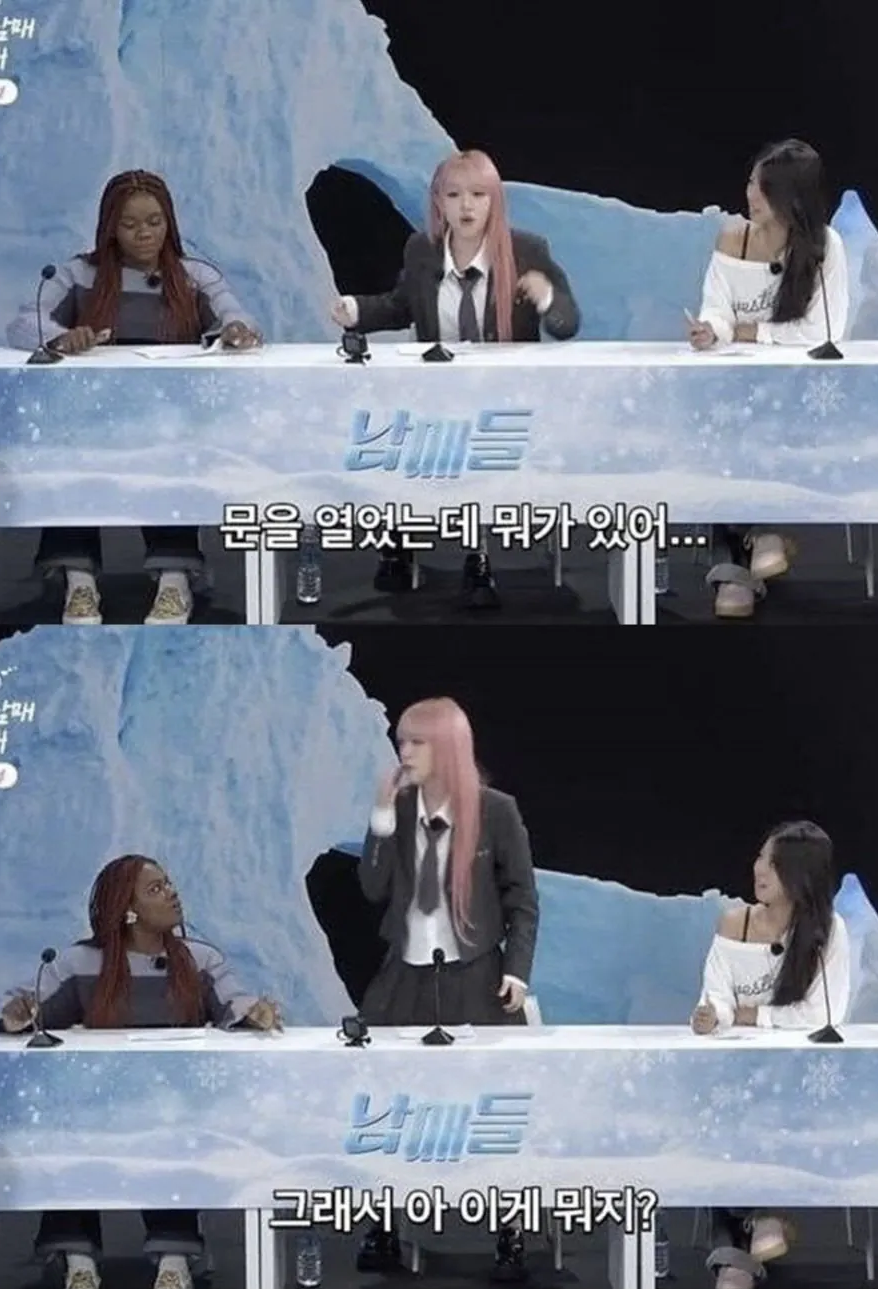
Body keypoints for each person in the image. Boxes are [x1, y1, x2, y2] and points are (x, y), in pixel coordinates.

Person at [0, 854, 283, 1289]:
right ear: (128, 910)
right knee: (65, 1132)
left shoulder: (200, 959)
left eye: (169, 883)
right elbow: (28, 1007)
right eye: (156, 889)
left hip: (173, 1103)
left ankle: (174, 1257)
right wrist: (17, 1015)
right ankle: (77, 1259)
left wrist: (255, 1014)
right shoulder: (79, 962)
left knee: (169, 1129)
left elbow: (233, 1002)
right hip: (91, 1100)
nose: (172, 893)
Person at [6, 170, 264, 627]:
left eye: (154, 222)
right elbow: (25, 324)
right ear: (110, 226)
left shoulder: (194, 276)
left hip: (169, 415)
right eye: (129, 224)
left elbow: (234, 315)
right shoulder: (77, 274)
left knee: (171, 458)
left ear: (170, 223)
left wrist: (236, 331)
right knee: (69, 457)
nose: (144, 234)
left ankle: (174, 579)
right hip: (89, 413)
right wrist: (63, 337)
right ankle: (79, 580)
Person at [330, 149, 581, 609]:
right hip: (437, 395)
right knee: (389, 423)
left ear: (494, 201)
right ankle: (399, 543)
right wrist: (357, 311)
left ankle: (477, 558)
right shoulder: (422, 250)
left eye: (478, 195)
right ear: (438, 202)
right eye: (454, 195)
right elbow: (401, 306)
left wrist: (546, 297)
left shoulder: (527, 250)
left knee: (473, 441)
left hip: (506, 401)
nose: (466, 206)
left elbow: (568, 324)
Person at [355, 696, 539, 1281]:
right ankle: (382, 1225)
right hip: (405, 976)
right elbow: (372, 888)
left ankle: (509, 1231)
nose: (404, 752)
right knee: (385, 1098)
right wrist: (380, 818)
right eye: (401, 741)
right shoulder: (399, 809)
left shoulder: (496, 811)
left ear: (448, 747)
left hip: (475, 977)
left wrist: (516, 971)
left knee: (493, 1100)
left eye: (417, 742)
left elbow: (522, 899)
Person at [686, 140, 850, 619]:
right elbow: (717, 310)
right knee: (718, 427)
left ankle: (745, 556)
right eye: (750, 182)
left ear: (791, 196)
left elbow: (822, 332)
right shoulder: (731, 239)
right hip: (733, 383)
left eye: (762, 186)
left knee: (755, 422)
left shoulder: (825, 248)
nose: (750, 194)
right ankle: (760, 538)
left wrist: (747, 331)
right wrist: (710, 330)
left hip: (795, 389)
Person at [690, 821, 851, 1289]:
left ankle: (741, 1251)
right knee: (720, 1116)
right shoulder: (733, 923)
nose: (758, 869)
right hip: (732, 1072)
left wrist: (750, 1015)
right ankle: (761, 1220)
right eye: (760, 858)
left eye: (772, 862)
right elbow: (717, 999)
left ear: (799, 874)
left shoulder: (828, 932)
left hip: (796, 1076)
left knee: (752, 1111)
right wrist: (711, 1016)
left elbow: (822, 1015)